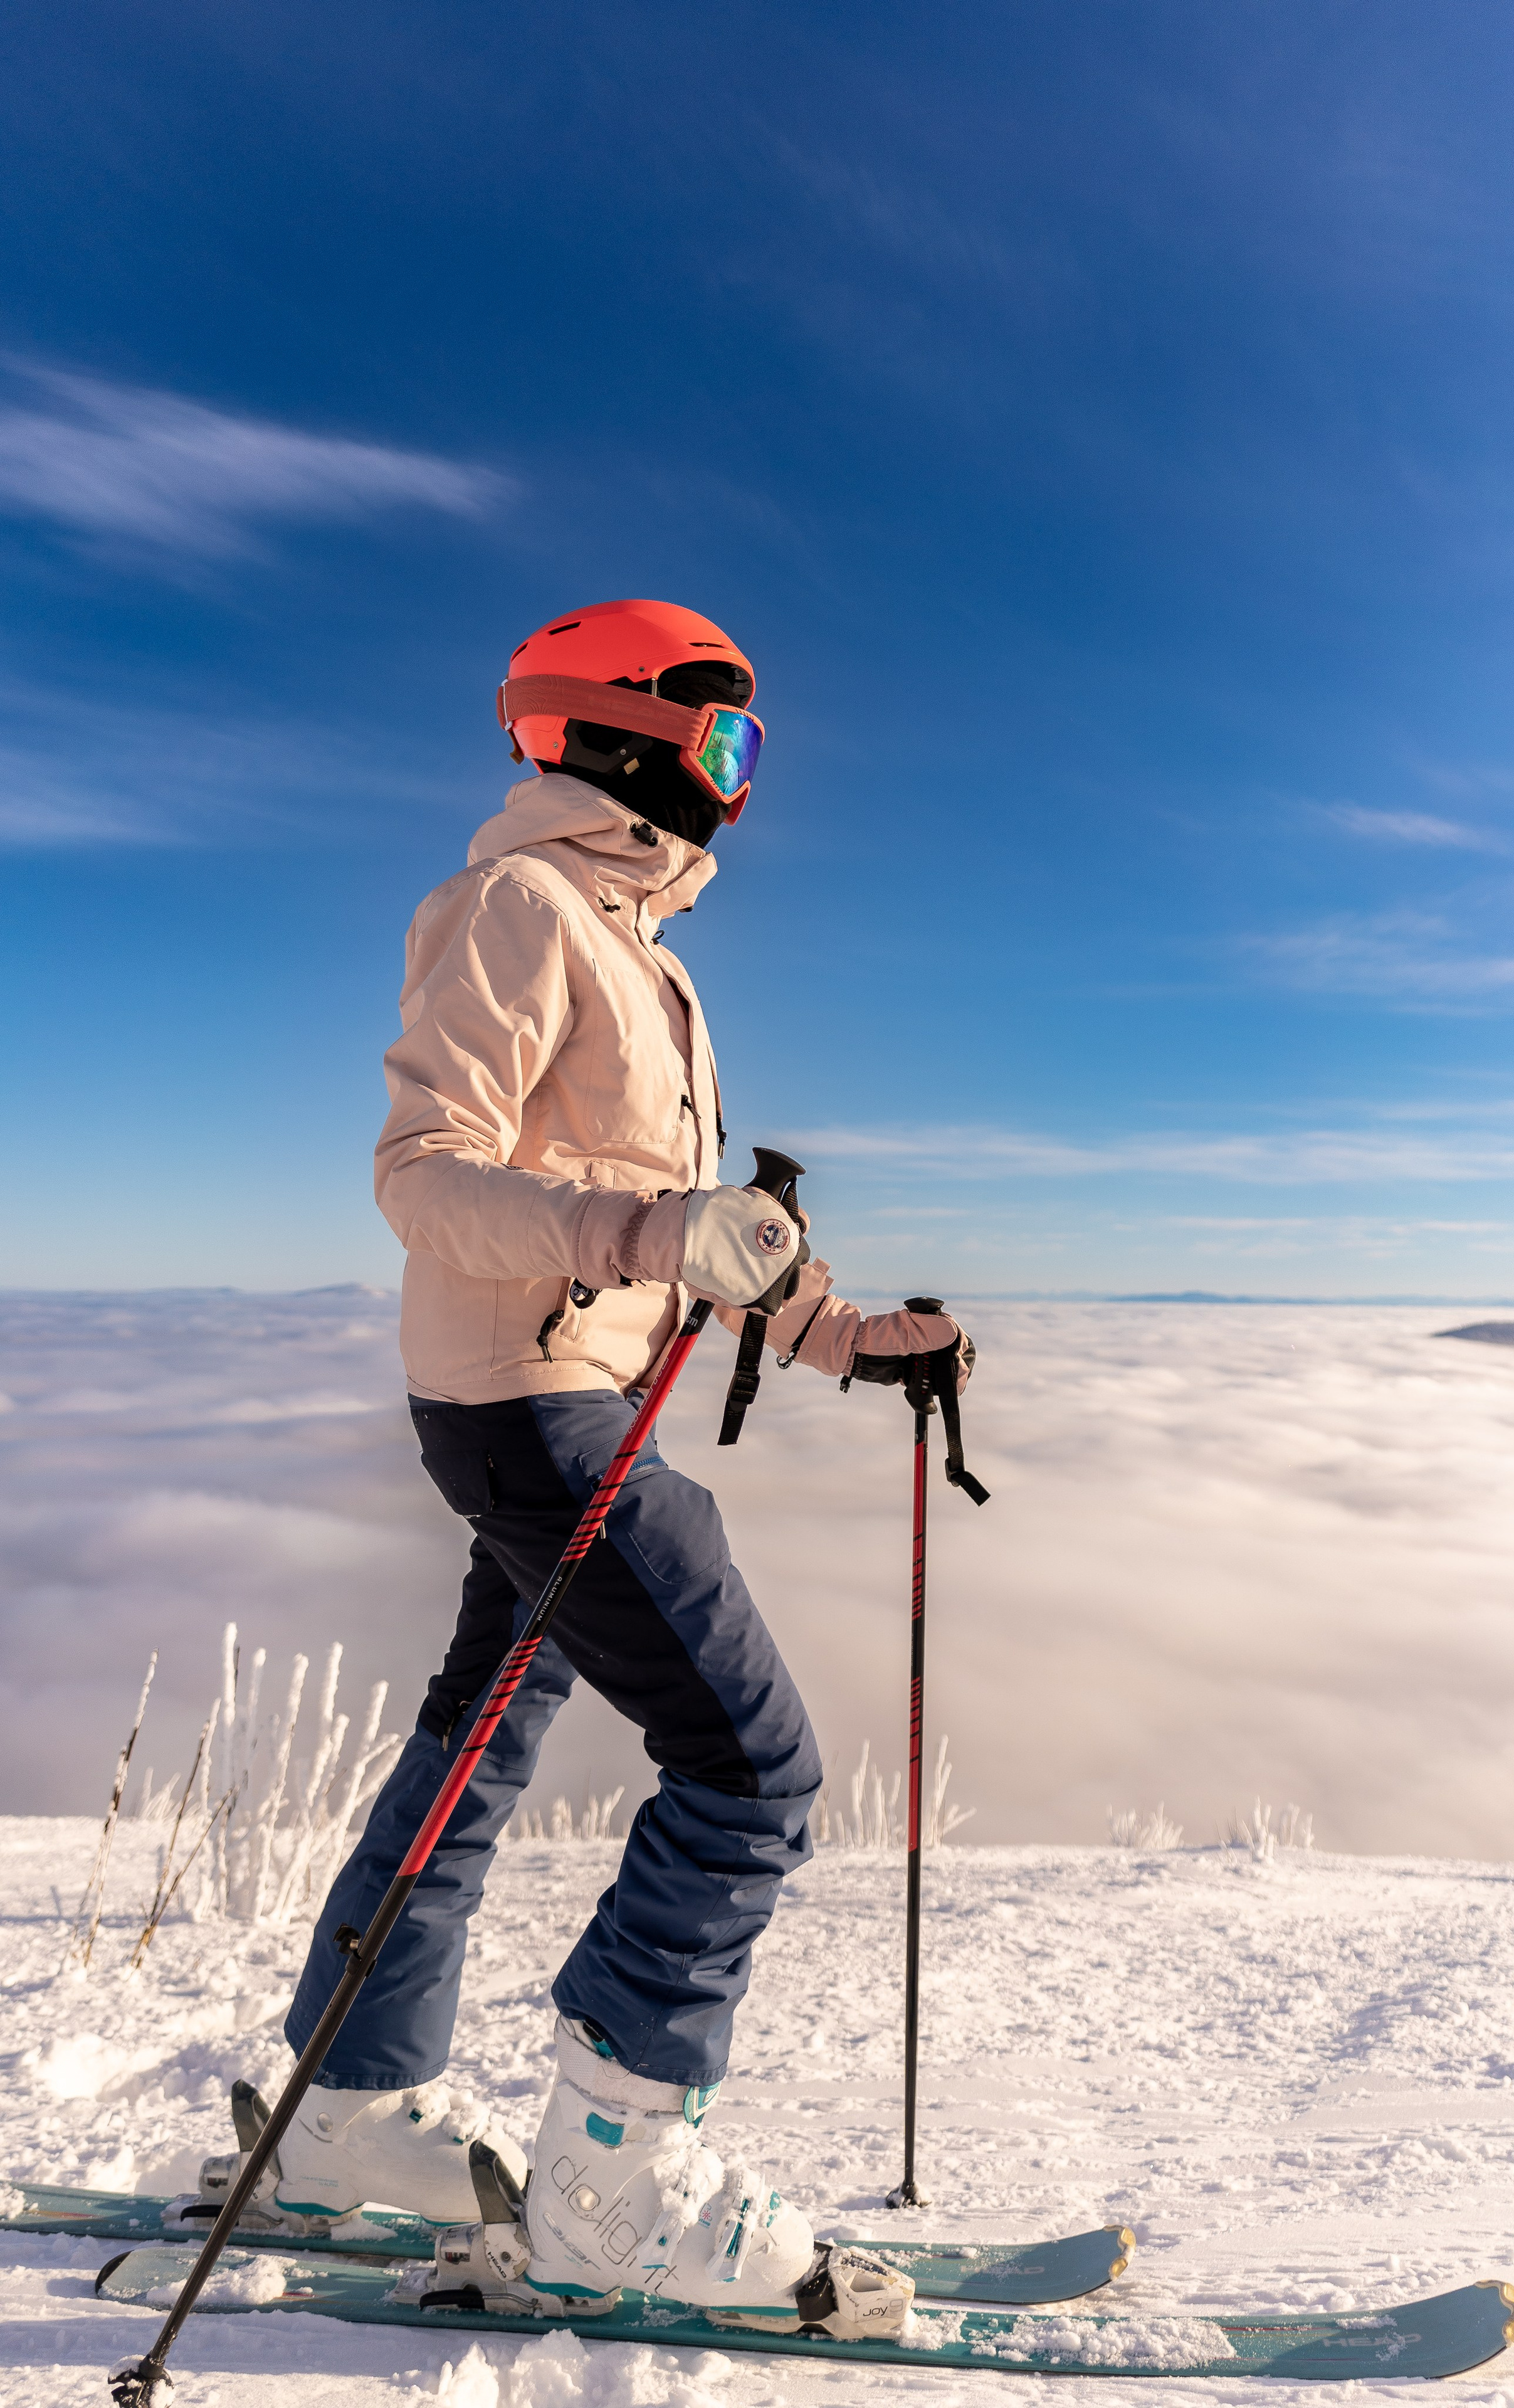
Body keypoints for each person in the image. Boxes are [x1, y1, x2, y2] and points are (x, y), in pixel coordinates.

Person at [216, 598, 974, 2337]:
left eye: (750, 751)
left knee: (478, 1739)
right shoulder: (517, 909)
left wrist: (858, 1341)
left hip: (558, 1401)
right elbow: (427, 1174)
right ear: (616, 730)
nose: (739, 782)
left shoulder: (649, 956)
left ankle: (350, 2111)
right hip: (536, 1409)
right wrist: (649, 1226)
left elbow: (709, 1247)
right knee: (754, 1768)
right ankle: (615, 2189)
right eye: (722, 741)